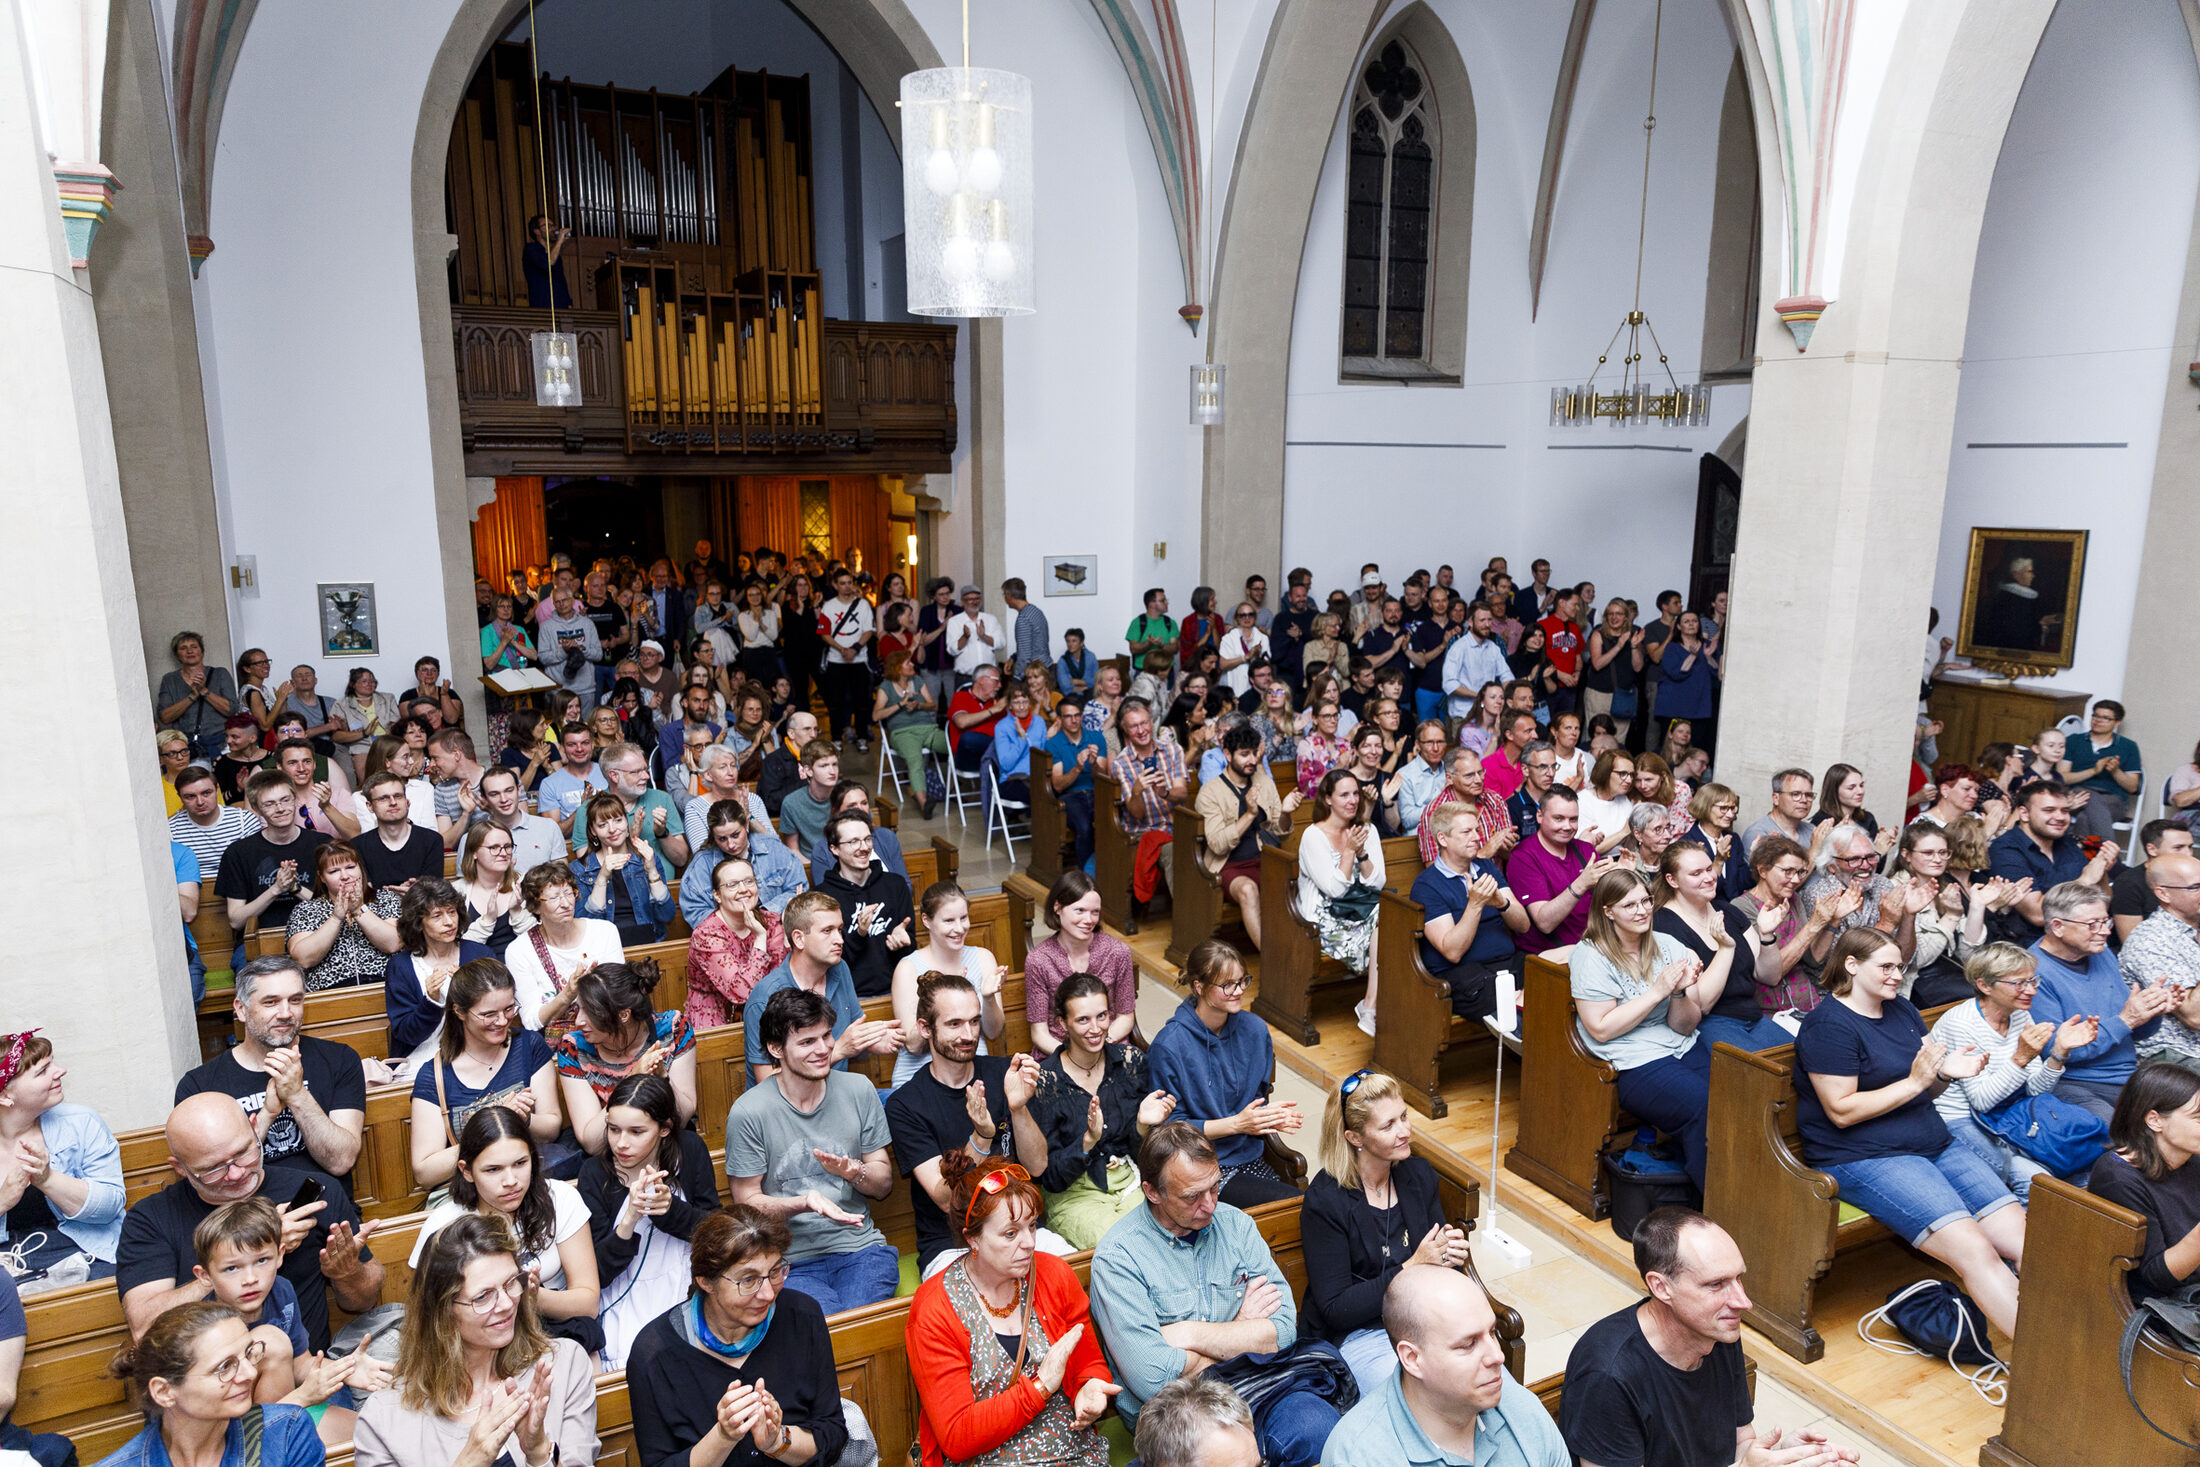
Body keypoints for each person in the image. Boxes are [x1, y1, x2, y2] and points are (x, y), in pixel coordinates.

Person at [1792, 927, 2025, 1337]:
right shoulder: (1827, 1026)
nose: (1897, 975)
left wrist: (1944, 1075)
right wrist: (1918, 1082)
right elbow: (1842, 1111)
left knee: (2029, 1244)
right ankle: (2042, 1372)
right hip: (1866, 1156)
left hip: (1933, 1143)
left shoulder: (1901, 1009)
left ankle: (2072, 1346)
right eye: (1885, 966)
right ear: (1851, 965)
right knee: (1975, 1252)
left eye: (1899, 966)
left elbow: (1926, 1084)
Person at [1089, 1122, 1341, 1464]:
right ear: (1152, 1192)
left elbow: (1282, 1333)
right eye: (1192, 1196)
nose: (1209, 1205)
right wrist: (1243, 1330)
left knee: (1318, 1431)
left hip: (1262, 1386)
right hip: (1180, 1415)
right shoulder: (1119, 1258)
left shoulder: (1236, 1225)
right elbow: (1153, 1379)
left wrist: (1189, 1334)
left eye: (1215, 1187)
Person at [1561, 1209, 1856, 1467]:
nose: (1743, 1302)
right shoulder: (1607, 1377)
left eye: (1739, 1278)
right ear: (1662, 1287)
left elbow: (1740, 1443)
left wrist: (1782, 1456)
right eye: (1716, 1284)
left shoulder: (1716, 1330)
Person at [116, 1093, 381, 1348]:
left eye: (244, 1153)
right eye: (212, 1169)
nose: (236, 1173)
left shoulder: (317, 1191)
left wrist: (346, 1272)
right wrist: (255, 1250)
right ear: (180, 1168)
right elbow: (145, 1328)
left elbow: (364, 1301)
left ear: (255, 1128)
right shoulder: (151, 1218)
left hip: (305, 1373)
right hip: (210, 1384)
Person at [906, 1152, 1119, 1467]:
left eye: (1031, 1226)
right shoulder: (934, 1309)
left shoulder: (1055, 1275)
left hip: (1069, 1450)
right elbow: (957, 1437)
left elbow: (1088, 1362)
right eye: (1010, 1233)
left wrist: (1092, 1389)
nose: (1029, 1242)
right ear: (972, 1239)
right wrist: (1040, 1387)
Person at [355, 1213, 599, 1467]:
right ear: (443, 1312)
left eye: (511, 1283)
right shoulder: (384, 1418)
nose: (506, 1304)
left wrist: (539, 1453)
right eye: (483, 1297)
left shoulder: (561, 1366)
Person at [625, 1206, 848, 1467]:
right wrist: (723, 1436)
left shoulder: (803, 1316)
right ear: (706, 1281)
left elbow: (832, 1435)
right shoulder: (653, 1354)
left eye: (775, 1272)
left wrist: (777, 1441)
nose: (767, 1293)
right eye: (748, 1280)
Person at [725, 988, 901, 1316]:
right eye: (807, 1042)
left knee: (856, 1323)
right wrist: (804, 1203)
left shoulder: (858, 1089)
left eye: (826, 1036)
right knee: (821, 1326)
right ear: (775, 1049)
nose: (823, 1050)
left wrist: (855, 1173)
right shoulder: (749, 1112)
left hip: (859, 1249)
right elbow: (746, 1204)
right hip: (789, 1260)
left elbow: (884, 1182)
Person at [1301, 1070, 1470, 1395]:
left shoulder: (1418, 1176)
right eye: (1388, 1125)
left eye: (1403, 1117)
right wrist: (1413, 1267)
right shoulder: (1326, 1201)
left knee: (1478, 1378)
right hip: (1361, 1334)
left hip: (1423, 1319)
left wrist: (1451, 1256)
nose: (1405, 1131)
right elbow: (1337, 1308)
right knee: (1421, 1394)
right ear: (1355, 1138)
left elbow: (1442, 1262)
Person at [885, 975, 1058, 1279]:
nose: (968, 1034)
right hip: (954, 1243)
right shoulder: (906, 1104)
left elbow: (1038, 1166)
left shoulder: (1004, 1074)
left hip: (1021, 1229)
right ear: (926, 1028)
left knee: (1072, 1275)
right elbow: (945, 1199)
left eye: (974, 1022)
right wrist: (981, 1136)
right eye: (954, 1024)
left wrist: (1017, 1109)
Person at [1324, 1265, 1569, 1467]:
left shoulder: (1521, 1409)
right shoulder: (1358, 1456)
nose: (1497, 1356)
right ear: (1412, 1359)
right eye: (1468, 1345)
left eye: (1492, 1333)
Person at [1571, 871, 1725, 1188]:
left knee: (1732, 1098)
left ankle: (1730, 1189)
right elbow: (1600, 1029)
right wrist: (1657, 992)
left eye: (1645, 900)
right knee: (1701, 1105)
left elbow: (1684, 1027)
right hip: (1629, 1058)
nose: (1642, 911)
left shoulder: (1668, 945)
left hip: (1676, 1044)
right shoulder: (1591, 956)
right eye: (1630, 905)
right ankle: (1713, 1201)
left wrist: (1680, 992)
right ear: (1608, 911)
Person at [408, 1107, 601, 1352]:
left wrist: (531, 1296)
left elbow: (588, 1302)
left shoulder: (560, 1198)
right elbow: (428, 1319)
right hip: (478, 1345)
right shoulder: (444, 1225)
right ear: (466, 1171)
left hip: (555, 1330)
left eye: (520, 1163)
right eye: (493, 1169)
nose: (511, 1181)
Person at [1926, 943, 2093, 1204]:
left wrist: (2059, 1053)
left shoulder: (2019, 1015)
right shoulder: (1961, 1023)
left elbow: (2037, 1090)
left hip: (2008, 1113)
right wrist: (2021, 1058)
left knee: (2081, 1157)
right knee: (2036, 1180)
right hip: (1963, 1117)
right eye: (2019, 983)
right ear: (1984, 986)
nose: (2031, 990)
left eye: (2032, 980)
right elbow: (1981, 1100)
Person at [175, 955, 367, 1182]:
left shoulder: (339, 1059)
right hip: (248, 1211)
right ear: (241, 1010)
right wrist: (267, 1114)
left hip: (326, 1207)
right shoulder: (199, 1086)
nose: (286, 1013)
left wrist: (297, 1095)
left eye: (295, 1000)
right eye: (271, 1002)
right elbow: (216, 1178)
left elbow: (341, 1161)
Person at [578, 1074, 720, 1369]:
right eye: (613, 1130)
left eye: (636, 1131)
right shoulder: (594, 1174)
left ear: (665, 1129)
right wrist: (629, 1220)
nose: (621, 1143)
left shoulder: (690, 1150)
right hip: (624, 1294)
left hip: (684, 1286)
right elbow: (597, 1274)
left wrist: (670, 1211)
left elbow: (717, 1234)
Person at [1146, 940, 1302, 1207]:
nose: (1239, 990)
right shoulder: (1169, 1045)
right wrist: (1238, 1124)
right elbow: (1168, 1130)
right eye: (1227, 984)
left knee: (1305, 1206)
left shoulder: (1255, 1030)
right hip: (1197, 1166)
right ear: (1199, 987)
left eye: (1243, 981)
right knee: (1294, 1207)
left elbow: (1256, 1098)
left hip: (1249, 1156)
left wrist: (1269, 1117)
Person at [1029, 973, 1175, 1250]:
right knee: (1125, 1248)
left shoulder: (1131, 1064)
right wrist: (1087, 1143)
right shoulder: (1045, 1081)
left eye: (1102, 1015)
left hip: (1131, 1179)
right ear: (1062, 1023)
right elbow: (1048, 1178)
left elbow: (1147, 1155)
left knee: (1174, 1230)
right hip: (1075, 1194)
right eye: (1083, 1019)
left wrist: (1143, 1126)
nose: (1095, 1028)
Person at [96, 1301, 325, 1467]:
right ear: (164, 1391)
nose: (249, 1372)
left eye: (248, 1354)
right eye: (225, 1367)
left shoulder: (286, 1432)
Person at [2030, 878, 2178, 1121]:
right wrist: (2127, 1019)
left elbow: (2129, 1032)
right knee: (2125, 1140)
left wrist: (2153, 1011)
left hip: (2128, 1077)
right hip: (2077, 1083)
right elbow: (2058, 1053)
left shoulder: (2100, 952)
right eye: (2093, 924)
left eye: (2105, 921)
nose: (2106, 931)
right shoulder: (2034, 972)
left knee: (2187, 1123)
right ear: (2057, 926)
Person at [408, 959, 561, 1190]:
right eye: (489, 1014)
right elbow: (424, 1172)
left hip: (529, 1182)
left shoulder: (529, 1046)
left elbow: (551, 1127)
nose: (502, 1021)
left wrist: (525, 1118)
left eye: (509, 1009)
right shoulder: (434, 1075)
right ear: (459, 1011)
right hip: (472, 1195)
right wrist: (496, 1121)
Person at [740, 891, 902, 1085]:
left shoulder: (839, 968)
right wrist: (839, 1050)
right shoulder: (766, 997)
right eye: (827, 931)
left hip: (833, 1093)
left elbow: (854, 1036)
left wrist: (874, 1041)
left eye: (840, 929)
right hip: (786, 1110)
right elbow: (768, 1082)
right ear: (799, 939)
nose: (840, 940)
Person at [0, 1030, 123, 1282]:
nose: (60, 1071)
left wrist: (47, 1180)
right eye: (43, 1071)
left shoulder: (80, 1122)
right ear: (5, 1095)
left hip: (86, 1251)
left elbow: (111, 1206)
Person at [1652, 843, 1791, 1053]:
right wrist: (1725, 949)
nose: (1708, 877)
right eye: (1696, 873)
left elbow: (1769, 976)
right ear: (1672, 880)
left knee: (1803, 1064)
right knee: (1761, 1076)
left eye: (1709, 869)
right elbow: (1702, 1004)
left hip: (1753, 1017)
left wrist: (1767, 935)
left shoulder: (1727, 910)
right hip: (1709, 1024)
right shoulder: (1664, 925)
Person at [553, 962, 698, 1154]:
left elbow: (683, 1118)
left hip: (666, 1143)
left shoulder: (673, 1029)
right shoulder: (573, 1048)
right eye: (578, 1009)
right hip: (611, 1154)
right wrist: (633, 1079)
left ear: (623, 1015)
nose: (579, 1021)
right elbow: (592, 1143)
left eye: (590, 1012)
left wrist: (663, 1079)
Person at [2087, 1061, 2200, 1305]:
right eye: (2198, 1118)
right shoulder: (2117, 1177)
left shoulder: (2193, 1158)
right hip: (2165, 1306)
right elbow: (2154, 1278)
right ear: (2155, 1120)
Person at [886, 882, 1007, 1089]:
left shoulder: (983, 958)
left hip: (972, 1072)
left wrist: (987, 998)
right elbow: (914, 1045)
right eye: (949, 920)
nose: (959, 928)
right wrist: (943, 996)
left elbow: (993, 1032)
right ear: (927, 920)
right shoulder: (908, 968)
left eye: (963, 918)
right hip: (918, 1078)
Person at [1296, 770, 1388, 1037]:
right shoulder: (1313, 836)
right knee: (1387, 924)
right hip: (1323, 920)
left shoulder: (1367, 830)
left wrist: (1362, 855)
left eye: (1356, 794)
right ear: (1327, 799)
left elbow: (1377, 882)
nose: (1352, 801)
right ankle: (1371, 1006)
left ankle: (1370, 1005)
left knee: (1392, 916)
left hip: (1359, 911)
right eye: (1344, 795)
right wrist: (1348, 851)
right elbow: (1334, 889)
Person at [1196, 724, 1303, 953]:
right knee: (1248, 889)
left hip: (1262, 859)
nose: (1251, 760)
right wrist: (1250, 814)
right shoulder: (1210, 792)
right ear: (1227, 755)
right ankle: (1272, 959)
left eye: (1255, 753)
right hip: (1227, 866)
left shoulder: (1263, 781)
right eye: (1244, 754)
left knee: (1299, 879)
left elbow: (1281, 830)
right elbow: (1216, 844)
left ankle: (1297, 950)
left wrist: (1285, 812)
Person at [1022, 869, 1139, 1058]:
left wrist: (1100, 1047)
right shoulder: (1039, 960)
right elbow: (1039, 1033)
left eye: (1095, 912)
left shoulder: (1117, 952)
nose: (1089, 920)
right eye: (1080, 911)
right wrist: (1075, 1057)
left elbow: (1126, 1016)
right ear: (1058, 907)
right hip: (1059, 1053)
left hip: (1110, 1048)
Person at [1792, 823, 1922, 989]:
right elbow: (1840, 969)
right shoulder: (1820, 896)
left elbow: (1904, 958)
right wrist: (1886, 924)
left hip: (1882, 986)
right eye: (1853, 859)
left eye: (1870, 856)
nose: (1866, 865)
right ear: (1832, 867)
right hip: (1836, 992)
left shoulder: (1883, 886)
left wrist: (1909, 916)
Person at [214, 773, 333, 954]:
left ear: (295, 800)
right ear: (256, 808)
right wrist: (275, 889)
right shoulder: (238, 852)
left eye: (285, 800)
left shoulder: (323, 844)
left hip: (317, 935)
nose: (280, 809)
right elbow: (236, 921)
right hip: (259, 941)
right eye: (269, 804)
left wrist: (296, 889)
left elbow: (336, 909)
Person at [1988, 781, 2117, 945]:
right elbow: (2037, 915)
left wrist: (2102, 870)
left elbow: (2102, 901)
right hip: (2032, 946)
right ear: (2024, 814)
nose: (2060, 817)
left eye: (2065, 811)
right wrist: (2084, 881)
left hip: (2080, 940)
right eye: (2049, 810)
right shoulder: (2005, 850)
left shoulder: (2068, 843)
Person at [504, 861, 624, 1033]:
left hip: (606, 1031)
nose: (566, 903)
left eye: (569, 893)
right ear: (536, 906)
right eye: (554, 898)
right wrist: (568, 994)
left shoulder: (605, 932)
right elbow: (531, 1020)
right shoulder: (519, 951)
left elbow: (621, 994)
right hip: (554, 1045)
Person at [279, 842, 402, 992]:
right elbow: (303, 959)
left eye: (350, 867)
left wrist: (359, 910)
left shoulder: (385, 899)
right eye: (334, 871)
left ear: (360, 868)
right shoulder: (306, 909)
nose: (345, 876)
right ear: (322, 877)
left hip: (387, 986)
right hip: (329, 993)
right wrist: (336, 918)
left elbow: (393, 943)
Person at [1509, 786, 1614, 955]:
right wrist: (1582, 883)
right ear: (1539, 816)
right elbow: (1544, 923)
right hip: (1550, 957)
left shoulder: (1585, 850)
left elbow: (1610, 901)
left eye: (1573, 819)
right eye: (1559, 818)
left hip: (1594, 947)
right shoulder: (1523, 856)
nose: (1567, 826)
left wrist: (1624, 875)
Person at [568, 794, 677, 947]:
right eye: (602, 825)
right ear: (593, 831)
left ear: (627, 821)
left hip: (647, 944)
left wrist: (651, 870)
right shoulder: (580, 869)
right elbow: (585, 926)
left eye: (618, 820)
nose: (612, 829)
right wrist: (603, 876)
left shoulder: (645, 858)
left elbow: (667, 915)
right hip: (603, 948)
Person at [680, 799, 803, 929]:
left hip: (777, 928)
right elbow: (695, 912)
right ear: (713, 836)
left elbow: (798, 888)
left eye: (735, 835)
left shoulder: (774, 849)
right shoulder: (701, 865)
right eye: (722, 839)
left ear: (747, 825)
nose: (731, 844)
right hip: (727, 938)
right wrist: (736, 923)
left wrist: (764, 916)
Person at [2059, 698, 2144, 843]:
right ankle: (2107, 852)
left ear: (2117, 723)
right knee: (2088, 796)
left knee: (2085, 818)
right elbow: (2062, 777)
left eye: (2105, 718)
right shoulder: (2073, 741)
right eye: (2095, 716)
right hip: (2076, 796)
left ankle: (2086, 860)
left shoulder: (2128, 746)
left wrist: (2116, 771)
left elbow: (2132, 787)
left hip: (2113, 800)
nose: (2098, 720)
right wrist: (2093, 771)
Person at [874, 653, 948, 819]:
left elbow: (933, 706)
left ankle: (954, 787)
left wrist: (919, 704)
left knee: (954, 744)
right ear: (897, 667)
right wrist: (900, 704)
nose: (913, 665)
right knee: (915, 760)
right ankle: (924, 802)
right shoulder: (886, 687)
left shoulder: (918, 681)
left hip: (928, 729)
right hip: (903, 733)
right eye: (908, 663)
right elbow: (876, 716)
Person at [169, 766, 263, 892]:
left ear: (217, 790)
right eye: (190, 796)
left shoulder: (244, 821)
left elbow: (256, 867)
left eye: (206, 793)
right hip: (192, 893)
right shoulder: (171, 830)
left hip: (241, 892)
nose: (200, 802)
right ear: (180, 797)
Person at [1045, 696, 1111, 870]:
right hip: (1070, 796)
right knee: (1084, 827)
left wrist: (1094, 763)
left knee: (1112, 824)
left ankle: (1108, 870)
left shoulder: (1095, 737)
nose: (1074, 720)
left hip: (1096, 792)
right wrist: (1078, 767)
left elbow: (1103, 776)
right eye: (1068, 716)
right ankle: (1086, 875)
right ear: (1060, 719)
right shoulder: (1053, 744)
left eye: (1077, 715)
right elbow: (1058, 785)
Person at [157, 632, 241, 760]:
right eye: (183, 648)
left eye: (194, 647)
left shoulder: (219, 673)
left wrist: (204, 691)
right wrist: (192, 696)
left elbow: (231, 709)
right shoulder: (170, 680)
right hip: (188, 749)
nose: (189, 651)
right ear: (177, 655)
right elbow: (165, 717)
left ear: (202, 651)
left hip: (222, 744)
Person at [2111, 820, 2195, 942]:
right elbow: (2132, 942)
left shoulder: (2193, 877)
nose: (2188, 854)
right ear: (2152, 849)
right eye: (2178, 847)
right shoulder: (2128, 884)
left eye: (2190, 847)